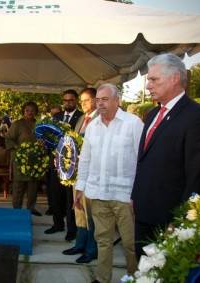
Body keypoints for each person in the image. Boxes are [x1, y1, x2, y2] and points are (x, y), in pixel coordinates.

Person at [131, 53, 200, 259]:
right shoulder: (152, 114)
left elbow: (198, 176)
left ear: (175, 78)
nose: (148, 86)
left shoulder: (198, 118)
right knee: (141, 267)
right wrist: (136, 197)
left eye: (153, 79)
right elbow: (144, 161)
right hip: (143, 212)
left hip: (169, 219)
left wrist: (180, 221)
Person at [75, 84, 143, 283]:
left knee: (130, 243)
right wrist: (80, 187)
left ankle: (135, 277)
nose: (100, 103)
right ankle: (102, 278)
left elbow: (142, 159)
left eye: (105, 99)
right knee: (102, 240)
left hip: (125, 196)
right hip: (97, 193)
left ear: (117, 101)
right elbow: (85, 159)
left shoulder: (133, 123)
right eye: (98, 100)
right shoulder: (92, 126)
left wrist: (137, 194)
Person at [62, 88, 98, 264]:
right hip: (77, 173)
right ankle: (80, 244)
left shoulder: (100, 119)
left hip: (92, 174)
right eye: (82, 101)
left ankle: (91, 250)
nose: (83, 104)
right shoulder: (83, 119)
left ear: (96, 100)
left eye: (86, 100)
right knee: (79, 210)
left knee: (90, 213)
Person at [45, 89, 83, 241]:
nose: (68, 103)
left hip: (72, 166)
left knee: (69, 199)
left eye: (71, 100)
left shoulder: (82, 117)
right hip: (55, 163)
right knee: (55, 195)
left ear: (76, 101)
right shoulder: (56, 117)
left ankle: (71, 229)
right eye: (65, 100)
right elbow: (50, 136)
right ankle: (57, 224)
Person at [5, 101, 42, 216]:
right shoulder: (17, 124)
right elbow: (8, 139)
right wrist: (17, 148)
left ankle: (31, 207)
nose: (30, 112)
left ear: (36, 111)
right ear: (23, 111)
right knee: (18, 186)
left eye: (32, 110)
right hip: (20, 159)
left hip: (34, 160)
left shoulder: (39, 125)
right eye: (27, 110)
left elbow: (44, 139)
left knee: (33, 186)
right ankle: (16, 209)